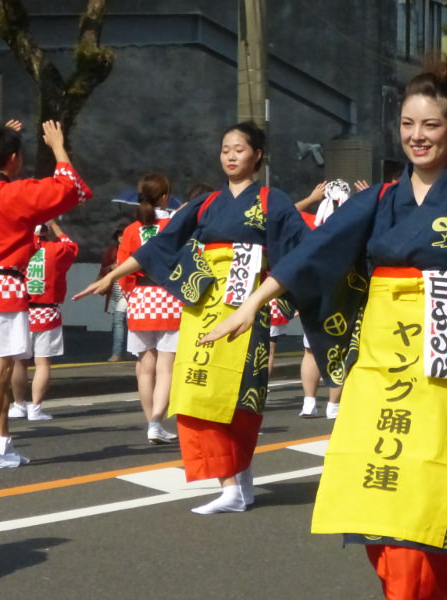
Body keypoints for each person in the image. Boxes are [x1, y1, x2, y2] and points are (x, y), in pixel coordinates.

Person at [201, 58, 447, 599]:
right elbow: (317, 252)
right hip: (380, 351)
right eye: (408, 125)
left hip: (441, 350)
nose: (417, 137)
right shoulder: (383, 198)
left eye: (431, 126)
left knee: (425, 480)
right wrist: (253, 303)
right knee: (375, 473)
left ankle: (423, 585)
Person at [75, 122, 307, 514]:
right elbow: (162, 245)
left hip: (249, 308)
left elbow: (303, 250)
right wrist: (113, 275)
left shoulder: (274, 201)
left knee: (242, 399)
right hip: (204, 307)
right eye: (225, 150)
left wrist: (288, 295)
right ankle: (229, 485)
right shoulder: (206, 203)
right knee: (198, 392)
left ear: (257, 155)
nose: (231, 156)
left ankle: (242, 482)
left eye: (239, 149)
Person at [0, 119, 91, 470]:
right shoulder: (17, 192)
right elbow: (71, 188)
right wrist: (58, 146)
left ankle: (3, 444)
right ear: (13, 159)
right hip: (4, 286)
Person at [115, 173, 182, 444]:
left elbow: (123, 269)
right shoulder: (175, 226)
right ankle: (157, 422)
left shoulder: (132, 230)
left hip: (140, 299)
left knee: (144, 366)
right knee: (167, 367)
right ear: (165, 197)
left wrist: (133, 294)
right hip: (170, 298)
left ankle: (150, 423)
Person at [292, 179, 353, 418]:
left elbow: (287, 213)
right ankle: (333, 406)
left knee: (310, 350)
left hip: (314, 292)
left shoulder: (312, 225)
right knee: (338, 349)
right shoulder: (351, 227)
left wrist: (310, 198)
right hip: (344, 293)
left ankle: (309, 402)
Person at [8, 220, 79, 421]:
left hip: (21, 311)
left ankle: (18, 405)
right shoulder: (57, 250)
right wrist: (56, 227)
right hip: (47, 312)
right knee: (43, 363)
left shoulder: (20, 250)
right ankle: (35, 408)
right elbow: (71, 246)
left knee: (19, 362)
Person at [99, 227, 128, 362]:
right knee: (118, 321)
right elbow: (103, 269)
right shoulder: (111, 251)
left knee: (118, 320)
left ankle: (117, 353)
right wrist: (110, 267)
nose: (121, 238)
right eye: (119, 235)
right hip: (115, 291)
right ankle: (119, 352)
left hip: (128, 291)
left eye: (123, 235)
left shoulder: (133, 250)